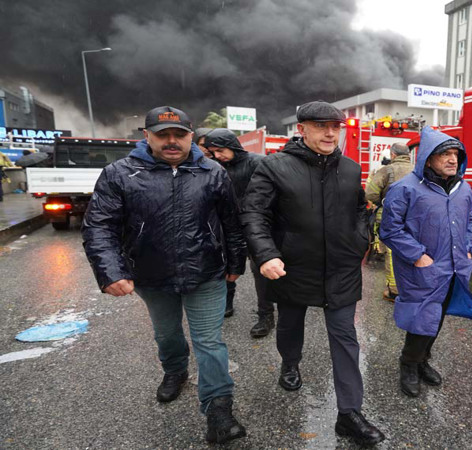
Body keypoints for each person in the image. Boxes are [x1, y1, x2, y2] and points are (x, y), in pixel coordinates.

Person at [81, 106, 248, 444]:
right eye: (162, 134)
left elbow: (232, 223)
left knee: (209, 341)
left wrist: (235, 265)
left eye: (179, 134)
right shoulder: (119, 173)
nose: (172, 141)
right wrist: (110, 271)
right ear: (147, 136)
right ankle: (174, 370)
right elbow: (99, 226)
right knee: (167, 334)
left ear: (191, 136)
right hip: (151, 276)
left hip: (206, 273)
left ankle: (218, 407)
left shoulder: (213, 172)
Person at [239, 101, 385, 446]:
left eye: (336, 126)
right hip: (291, 267)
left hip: (340, 269)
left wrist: (359, 238)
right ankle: (290, 363)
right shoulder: (274, 167)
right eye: (321, 126)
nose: (331, 132)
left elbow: (359, 209)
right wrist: (266, 254)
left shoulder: (350, 168)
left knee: (345, 338)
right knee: (290, 324)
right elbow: (254, 214)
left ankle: (349, 413)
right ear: (301, 129)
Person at [379, 127, 472, 398]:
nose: (452, 159)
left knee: (436, 317)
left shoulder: (464, 188)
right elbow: (390, 229)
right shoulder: (405, 189)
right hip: (422, 269)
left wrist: (468, 248)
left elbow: (470, 220)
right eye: (445, 154)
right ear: (428, 158)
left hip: (455, 267)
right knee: (420, 318)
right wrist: (418, 256)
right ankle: (409, 364)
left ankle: (423, 360)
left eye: (456, 154)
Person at [204, 128, 276, 336]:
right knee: (226, 266)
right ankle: (226, 305)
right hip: (228, 226)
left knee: (260, 271)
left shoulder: (258, 162)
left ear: (232, 144)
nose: (217, 156)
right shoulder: (216, 167)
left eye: (220, 150)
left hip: (257, 226)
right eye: (212, 152)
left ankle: (266, 316)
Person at [365, 142, 413, 301]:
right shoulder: (418, 171)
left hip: (391, 217)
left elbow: (370, 194)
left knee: (392, 252)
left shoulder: (386, 171)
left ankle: (394, 290)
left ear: (393, 155)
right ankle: (411, 287)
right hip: (414, 218)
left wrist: (383, 202)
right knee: (414, 250)